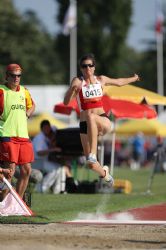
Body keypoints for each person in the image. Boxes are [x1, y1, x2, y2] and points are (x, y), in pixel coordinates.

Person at [63, 53, 140, 185]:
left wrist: (133, 78)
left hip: (102, 120)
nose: (87, 68)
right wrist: (72, 89)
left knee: (92, 117)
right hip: (85, 126)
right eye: (84, 66)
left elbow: (119, 82)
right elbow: (65, 102)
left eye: (90, 65)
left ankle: (93, 153)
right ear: (81, 68)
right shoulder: (78, 82)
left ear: (94, 67)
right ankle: (106, 174)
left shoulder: (101, 80)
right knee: (91, 165)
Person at [0, 63, 35, 202]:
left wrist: (27, 115)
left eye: (19, 75)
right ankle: (2, 204)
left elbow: (32, 105)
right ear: (7, 76)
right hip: (7, 135)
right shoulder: (1, 91)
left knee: (27, 170)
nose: (16, 78)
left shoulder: (24, 91)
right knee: (10, 172)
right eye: (13, 75)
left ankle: (17, 203)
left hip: (23, 136)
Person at [32, 120, 67, 194]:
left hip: (42, 161)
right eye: (46, 128)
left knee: (60, 168)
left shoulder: (45, 137)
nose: (48, 130)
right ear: (42, 128)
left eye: (49, 128)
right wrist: (53, 149)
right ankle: (41, 188)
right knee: (54, 169)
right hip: (36, 161)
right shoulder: (39, 138)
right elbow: (39, 153)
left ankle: (58, 190)